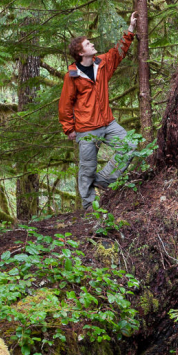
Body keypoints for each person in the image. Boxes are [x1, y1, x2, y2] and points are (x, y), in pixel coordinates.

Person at [58, 12, 138, 212]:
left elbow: (118, 52)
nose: (92, 44)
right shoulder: (72, 76)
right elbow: (65, 104)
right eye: (87, 44)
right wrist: (69, 129)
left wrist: (130, 29)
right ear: (80, 53)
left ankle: (105, 180)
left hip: (108, 123)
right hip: (86, 129)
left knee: (129, 144)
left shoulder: (101, 63)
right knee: (86, 170)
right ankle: (89, 210)